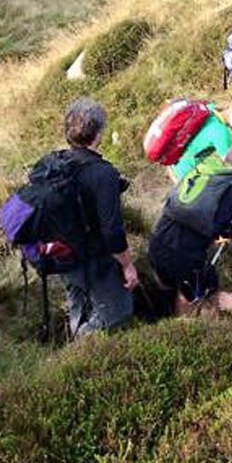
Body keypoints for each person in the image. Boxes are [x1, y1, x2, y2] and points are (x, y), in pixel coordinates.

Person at [149, 144, 232, 314]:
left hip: (157, 241)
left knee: (172, 288)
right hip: (184, 257)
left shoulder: (202, 171)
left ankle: (161, 322)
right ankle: (188, 333)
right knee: (201, 297)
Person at [61, 98, 138, 338]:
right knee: (117, 311)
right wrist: (127, 265)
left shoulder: (58, 162)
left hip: (64, 255)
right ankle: (83, 355)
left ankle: (76, 351)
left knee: (80, 308)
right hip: (93, 257)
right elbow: (112, 231)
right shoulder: (103, 173)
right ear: (98, 133)